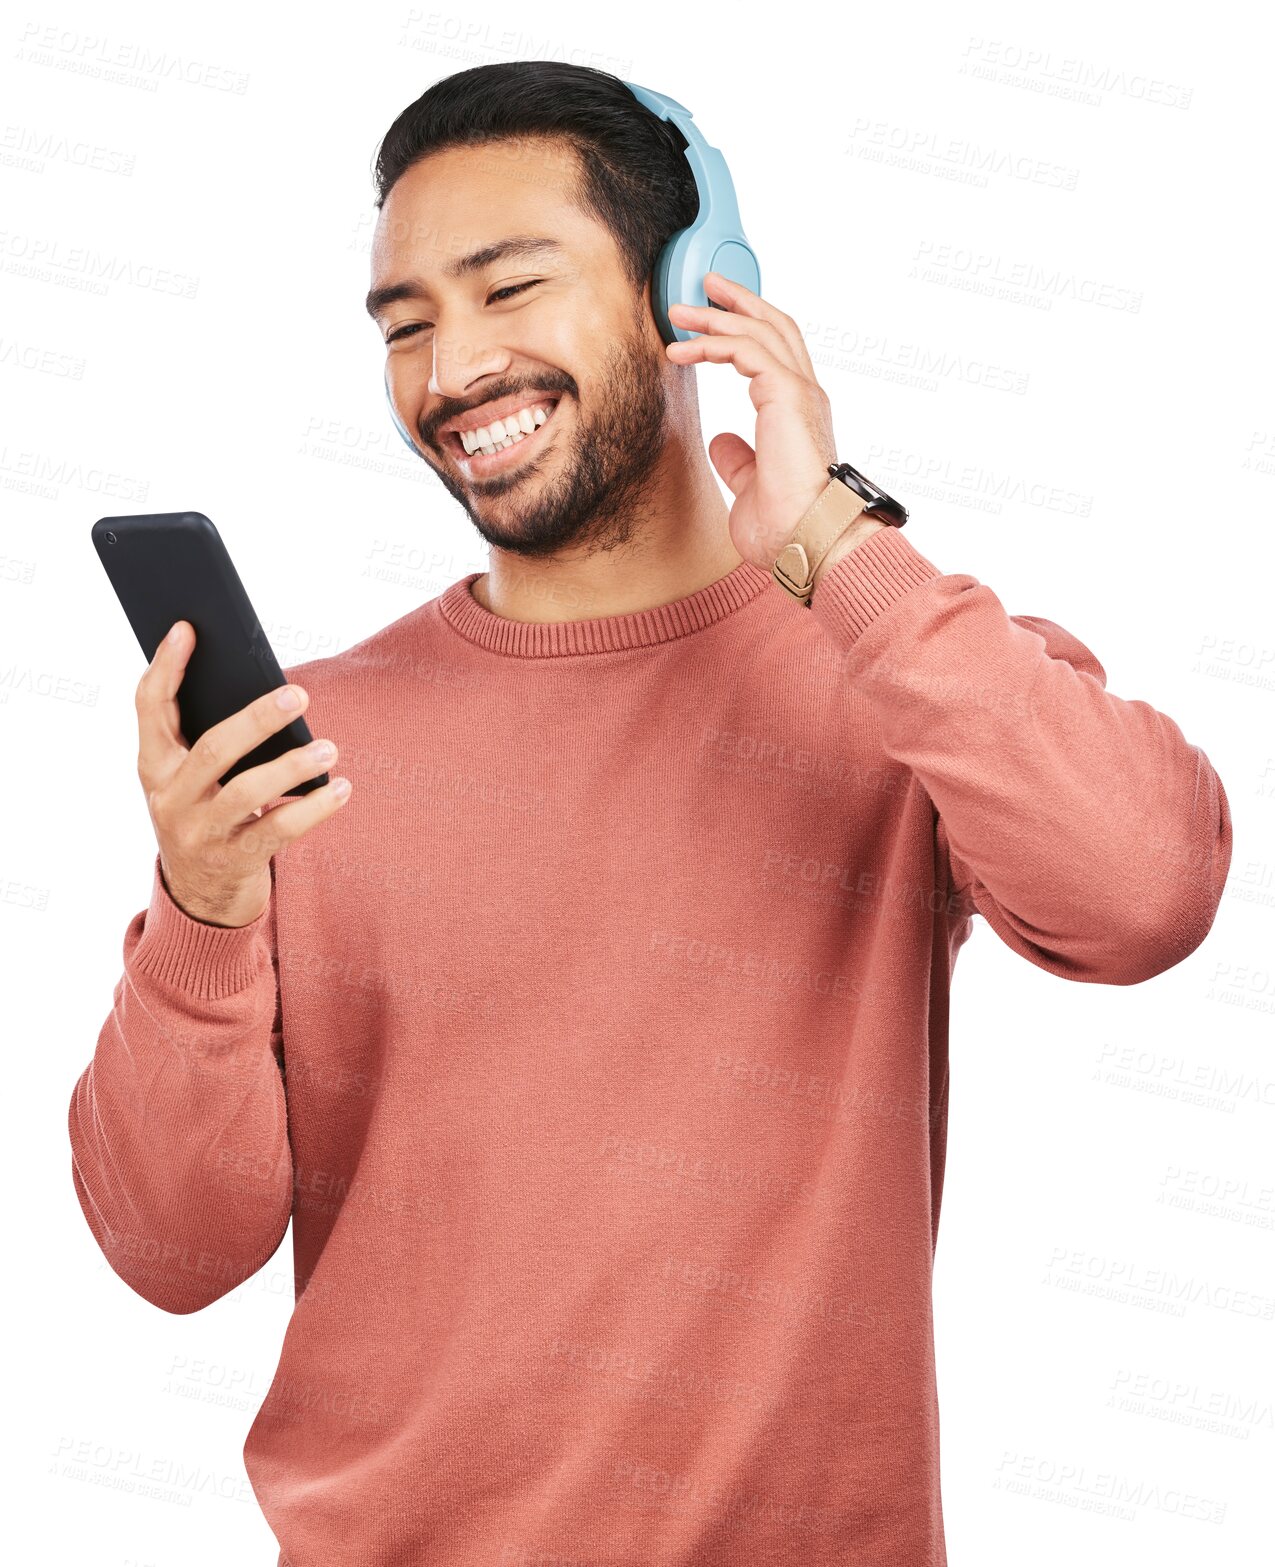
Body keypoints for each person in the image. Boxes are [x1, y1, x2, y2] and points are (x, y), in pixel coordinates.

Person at [67, 60, 1232, 1567]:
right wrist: (203, 912)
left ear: (697, 292)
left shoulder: (886, 661)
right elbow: (166, 1250)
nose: (448, 369)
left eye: (508, 289)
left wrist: (833, 545)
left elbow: (1150, 891)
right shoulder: (308, 751)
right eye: (406, 322)